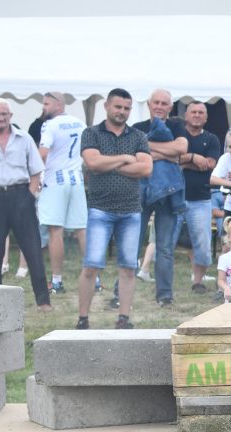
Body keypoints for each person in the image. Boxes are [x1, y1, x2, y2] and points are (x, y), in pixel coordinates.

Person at [77, 88, 151, 330]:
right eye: (118, 107)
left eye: (127, 108)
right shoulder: (91, 133)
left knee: (129, 267)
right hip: (100, 209)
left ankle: (124, 318)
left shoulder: (139, 136)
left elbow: (145, 169)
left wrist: (111, 164)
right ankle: (83, 319)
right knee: (91, 265)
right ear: (107, 106)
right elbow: (93, 163)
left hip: (131, 211)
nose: (122, 112)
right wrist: (126, 158)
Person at [0, 99, 51, 308]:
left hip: (21, 194)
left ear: (10, 116)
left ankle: (43, 300)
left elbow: (36, 170)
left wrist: (30, 195)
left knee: (32, 249)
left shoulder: (24, 138)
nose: (0, 118)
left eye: (4, 114)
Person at [131, 88, 187, 307]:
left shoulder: (176, 125)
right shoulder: (137, 127)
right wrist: (169, 154)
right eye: (156, 103)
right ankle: (121, 294)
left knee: (164, 247)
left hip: (169, 193)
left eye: (164, 103)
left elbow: (182, 148)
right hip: (140, 192)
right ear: (149, 104)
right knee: (132, 245)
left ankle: (164, 295)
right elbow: (134, 154)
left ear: (170, 107)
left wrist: (147, 146)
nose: (160, 107)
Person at [38, 90, 88, 294]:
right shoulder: (80, 123)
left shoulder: (50, 125)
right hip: (76, 179)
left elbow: (42, 153)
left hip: (55, 180)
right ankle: (93, 277)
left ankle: (57, 280)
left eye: (46, 104)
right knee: (81, 229)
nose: (44, 108)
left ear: (59, 104)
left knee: (55, 230)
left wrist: (34, 175)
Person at [178, 101, 221, 293]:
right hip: (174, 197)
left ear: (206, 117)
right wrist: (195, 158)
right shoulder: (177, 137)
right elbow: (171, 161)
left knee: (202, 244)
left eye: (200, 112)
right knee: (164, 242)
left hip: (201, 199)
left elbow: (210, 164)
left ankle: (198, 282)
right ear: (186, 116)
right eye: (193, 112)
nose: (196, 115)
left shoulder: (212, 139)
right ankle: (163, 286)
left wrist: (183, 161)